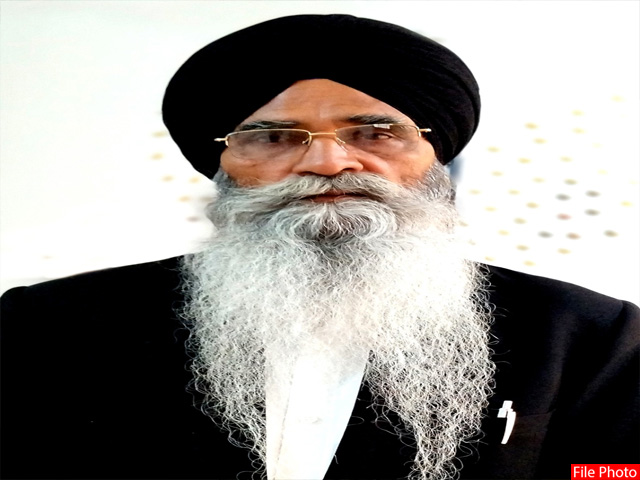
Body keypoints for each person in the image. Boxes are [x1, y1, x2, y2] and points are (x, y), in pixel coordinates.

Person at [1, 14, 638, 480]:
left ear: (436, 159)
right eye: (275, 138)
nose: (329, 163)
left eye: (375, 133)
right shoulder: (47, 326)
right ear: (223, 167)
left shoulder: (589, 336)